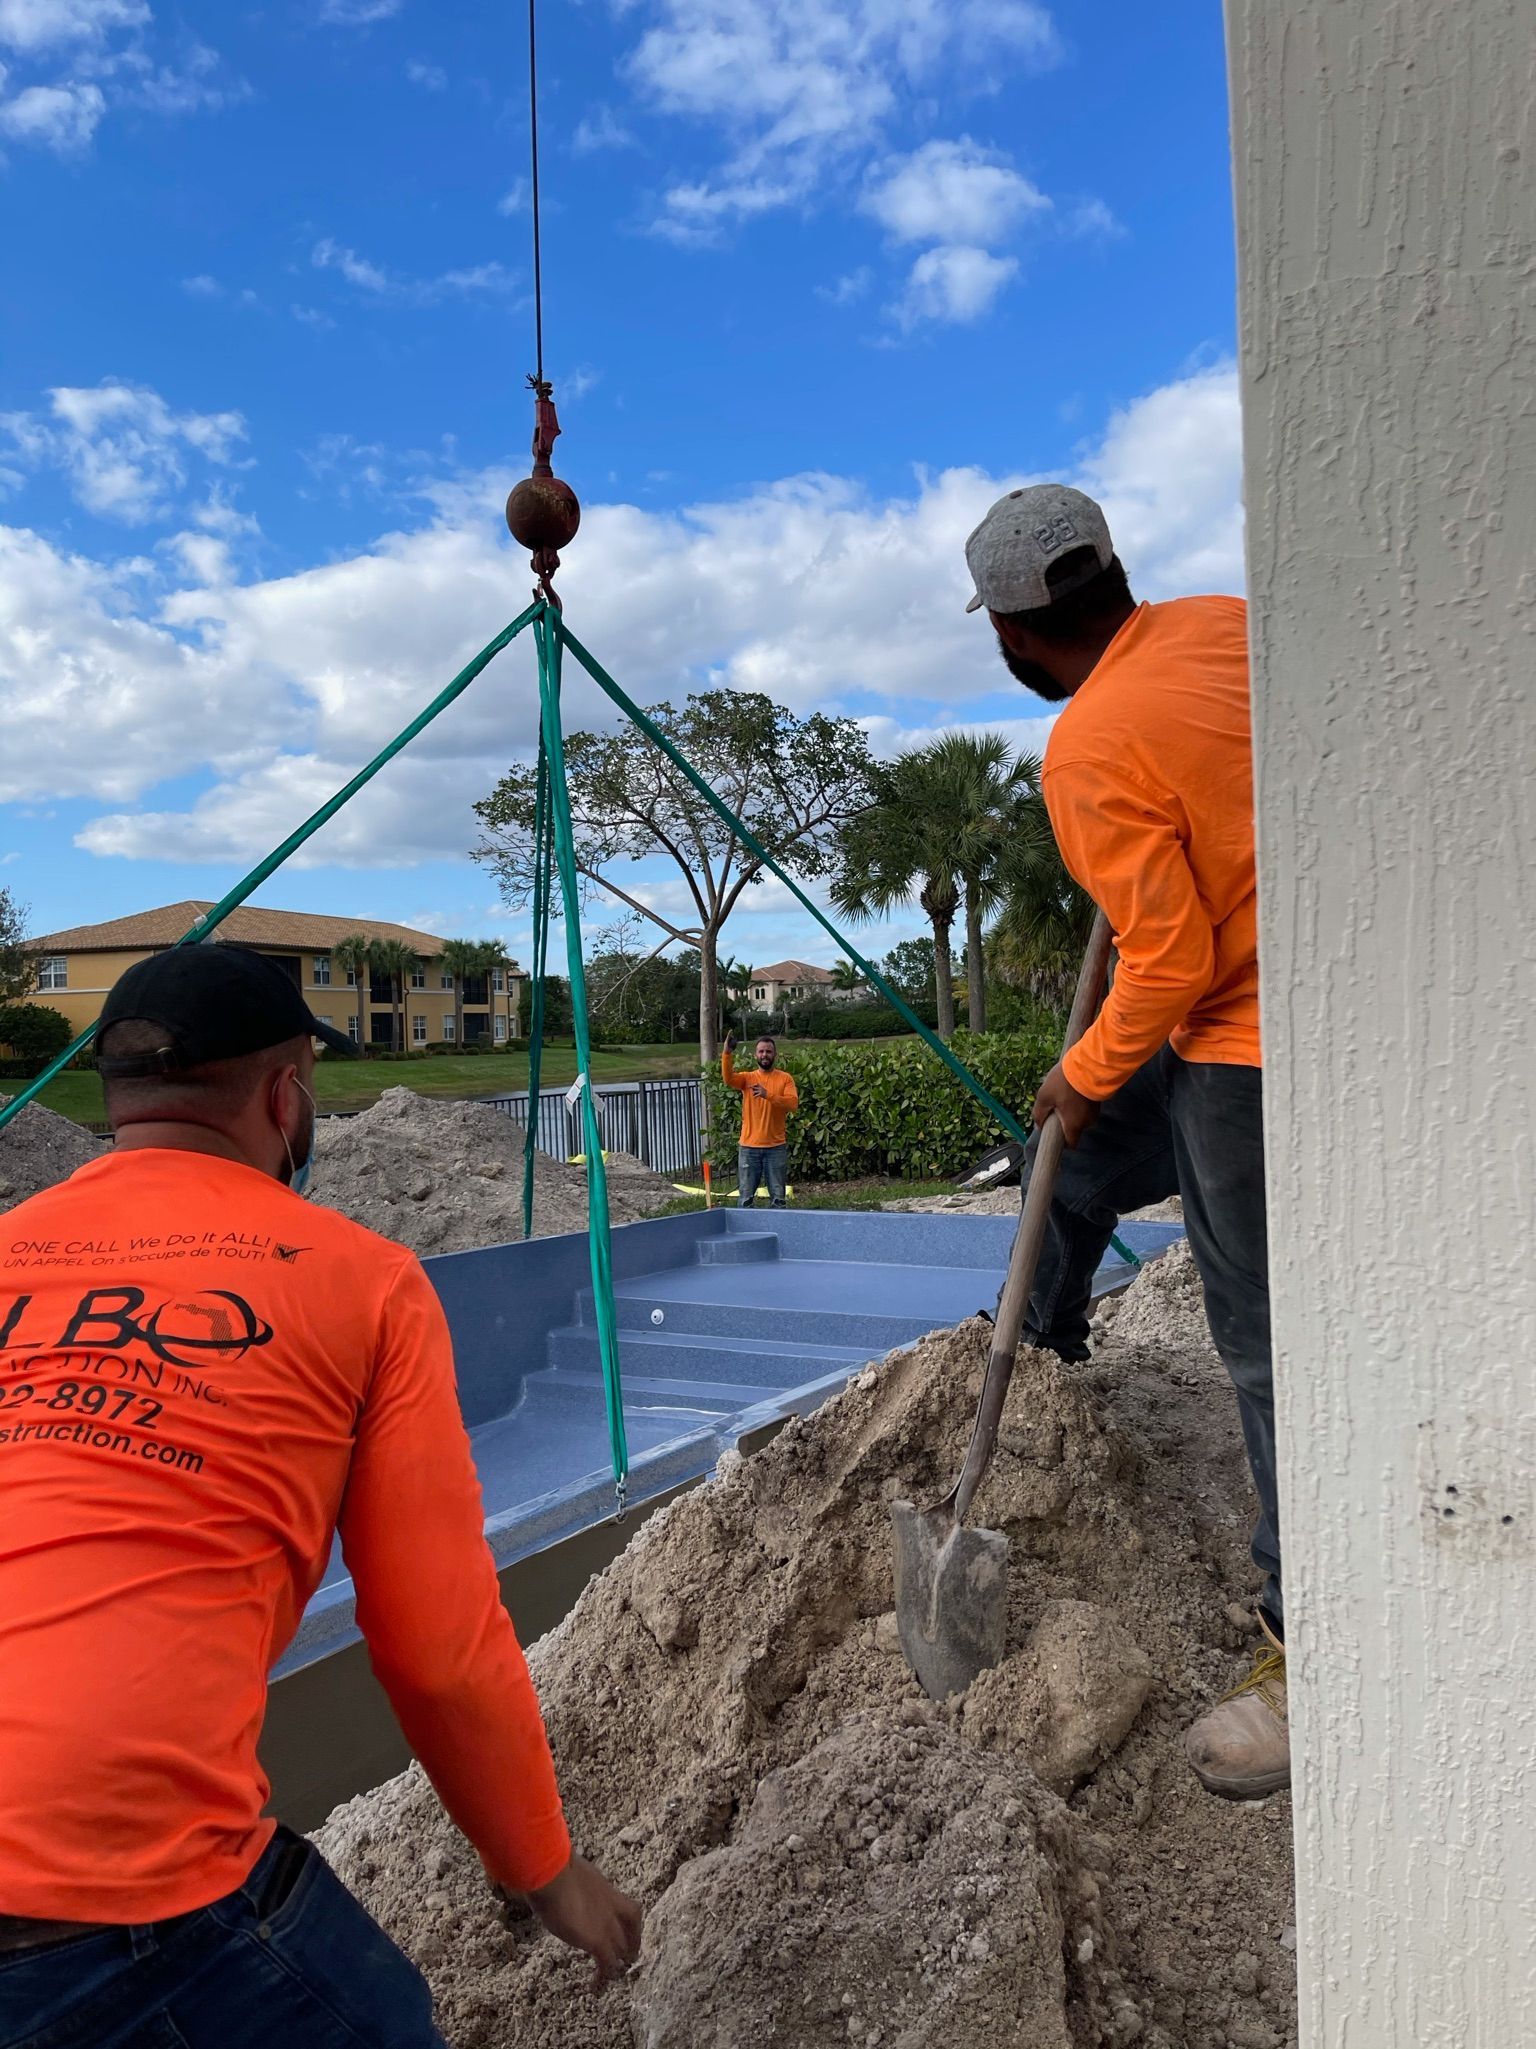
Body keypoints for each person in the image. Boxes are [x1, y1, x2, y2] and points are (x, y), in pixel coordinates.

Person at [0, 946, 640, 2048]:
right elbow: (441, 1649)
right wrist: (548, 1874)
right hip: (106, 1870)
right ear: (286, 1095)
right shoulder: (361, 1282)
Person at [965, 482, 1286, 1803]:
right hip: (1280, 991)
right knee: (1085, 1169)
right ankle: (1038, 1351)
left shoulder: (1089, 742)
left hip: (1251, 1036)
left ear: (1013, 631)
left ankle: (1306, 1651)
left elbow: (1171, 959)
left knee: (1264, 1344)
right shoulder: (1222, 627)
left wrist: (1081, 1068)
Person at [722, 1031, 798, 1208]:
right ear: (755, 1055)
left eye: (768, 1051)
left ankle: (778, 1229)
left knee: (778, 1198)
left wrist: (768, 1095)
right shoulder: (747, 1078)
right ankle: (746, 1232)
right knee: (746, 1198)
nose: (765, 1055)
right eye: (761, 1051)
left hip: (775, 1147)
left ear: (775, 1055)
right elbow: (728, 1079)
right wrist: (726, 1053)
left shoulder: (785, 1078)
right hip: (749, 1147)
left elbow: (792, 1104)